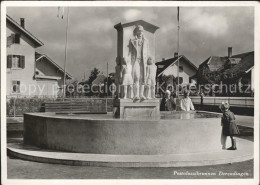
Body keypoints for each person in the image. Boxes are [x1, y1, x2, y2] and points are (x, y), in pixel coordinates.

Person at [128, 25, 149, 100]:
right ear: (136, 32)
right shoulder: (132, 40)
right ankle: (135, 95)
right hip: (135, 60)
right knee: (136, 77)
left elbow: (147, 52)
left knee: (142, 78)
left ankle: (141, 94)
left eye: (141, 31)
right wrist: (128, 60)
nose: (140, 32)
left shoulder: (146, 41)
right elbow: (130, 52)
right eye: (139, 31)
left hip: (143, 61)